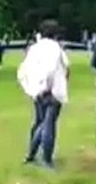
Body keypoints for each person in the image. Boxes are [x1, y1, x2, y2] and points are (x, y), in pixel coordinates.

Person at [17, 19, 69, 169]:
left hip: (37, 93)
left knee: (39, 123)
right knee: (48, 125)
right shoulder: (55, 48)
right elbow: (54, 69)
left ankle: (31, 154)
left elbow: (23, 71)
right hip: (51, 91)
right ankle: (46, 158)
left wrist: (31, 90)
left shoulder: (34, 48)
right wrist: (45, 87)